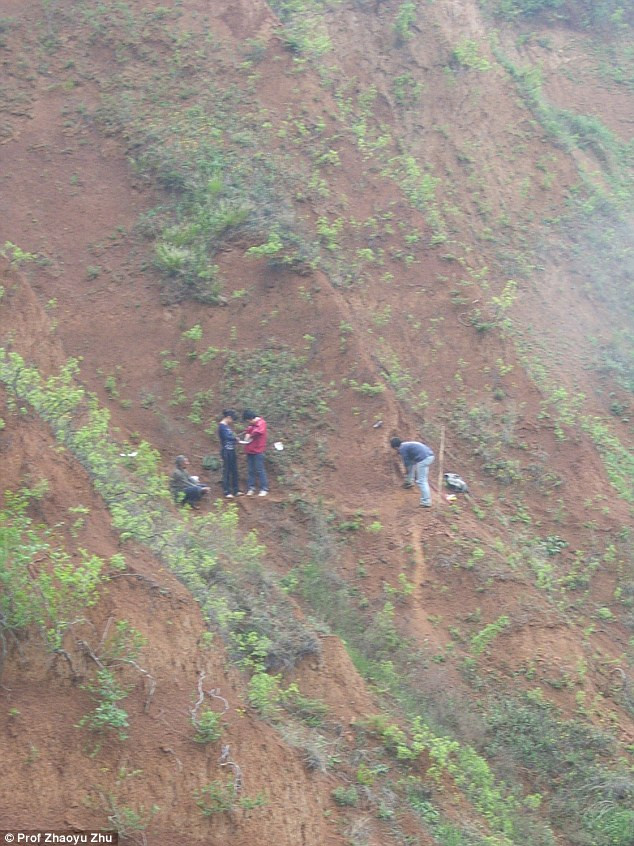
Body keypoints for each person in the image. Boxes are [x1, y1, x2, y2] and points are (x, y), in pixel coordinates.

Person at [390, 437, 435, 507]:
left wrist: (407, 471)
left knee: (422, 481)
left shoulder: (402, 449)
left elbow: (407, 463)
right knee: (412, 466)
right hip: (429, 455)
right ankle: (409, 482)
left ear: (396, 447)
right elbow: (411, 463)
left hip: (424, 459)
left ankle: (426, 502)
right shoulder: (406, 445)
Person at [241, 409, 268, 497]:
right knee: (250, 470)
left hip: (258, 451)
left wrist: (250, 434)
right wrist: (246, 436)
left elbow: (259, 431)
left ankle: (264, 488)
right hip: (250, 450)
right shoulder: (251, 425)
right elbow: (247, 431)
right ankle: (251, 488)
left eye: (248, 420)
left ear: (251, 418)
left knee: (260, 470)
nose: (248, 422)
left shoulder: (261, 423)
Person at [218, 409, 242, 498]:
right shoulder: (222, 427)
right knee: (227, 471)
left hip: (232, 450)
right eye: (232, 419)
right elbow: (226, 437)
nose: (232, 421)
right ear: (228, 417)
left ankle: (236, 490)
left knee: (234, 470)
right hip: (226, 451)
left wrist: (235, 439)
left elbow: (231, 437)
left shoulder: (227, 427)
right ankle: (227, 491)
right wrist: (234, 439)